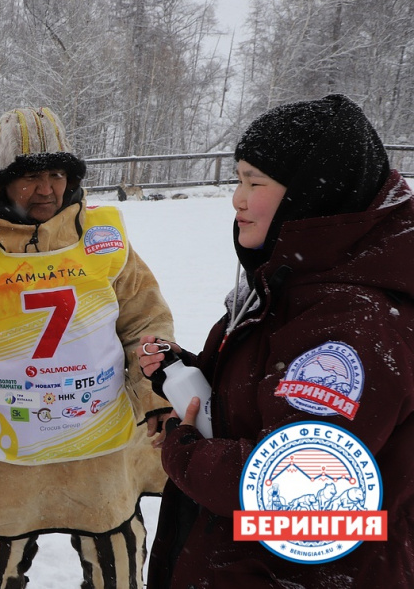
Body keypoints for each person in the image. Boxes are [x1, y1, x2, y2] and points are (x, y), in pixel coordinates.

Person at [138, 93, 414, 588]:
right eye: (238, 179)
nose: (237, 198)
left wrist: (183, 449)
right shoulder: (298, 278)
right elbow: (271, 388)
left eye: (254, 182)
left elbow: (289, 488)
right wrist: (188, 371)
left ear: (310, 194)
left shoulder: (351, 323)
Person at [0, 107, 174, 589]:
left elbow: (146, 323)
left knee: (118, 563)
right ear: (3, 183)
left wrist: (156, 394)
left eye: (56, 175)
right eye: (31, 177)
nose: (47, 189)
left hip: (101, 443)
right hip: (3, 451)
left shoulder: (105, 241)